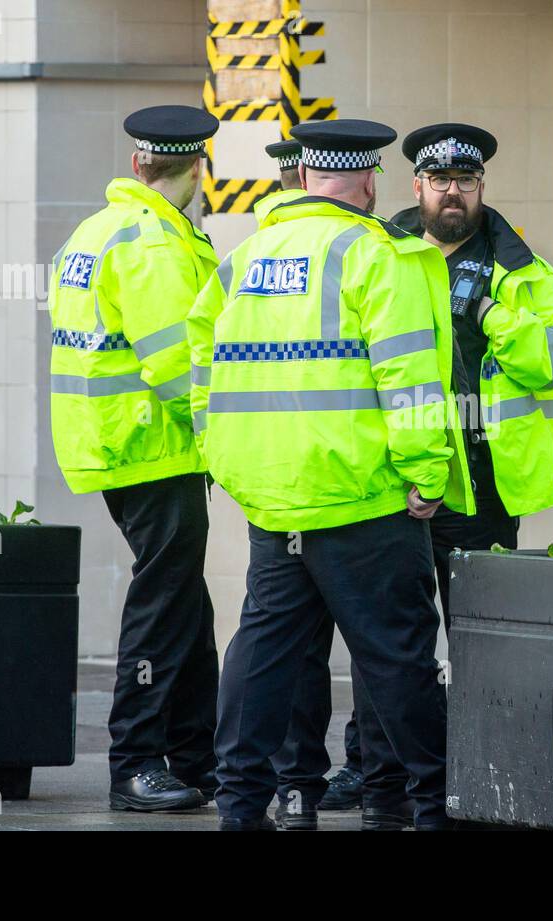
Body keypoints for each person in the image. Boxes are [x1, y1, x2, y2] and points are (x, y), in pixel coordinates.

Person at [187, 119, 474, 831]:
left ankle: (243, 807)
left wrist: (221, 455)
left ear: (308, 176)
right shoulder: (378, 257)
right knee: (399, 659)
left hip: (274, 502)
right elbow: (409, 380)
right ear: (371, 181)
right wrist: (427, 474)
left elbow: (198, 370)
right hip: (363, 500)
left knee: (263, 655)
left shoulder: (243, 259)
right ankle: (436, 807)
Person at [47, 105, 221, 811]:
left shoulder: (96, 231)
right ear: (194, 171)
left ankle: (195, 754)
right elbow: (179, 364)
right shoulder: (153, 243)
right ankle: (135, 762)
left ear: (139, 164)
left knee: (184, 601)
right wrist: (229, 438)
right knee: (163, 602)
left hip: (117, 446)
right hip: (157, 449)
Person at [391, 123, 553, 625]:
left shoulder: (519, 271)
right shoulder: (383, 258)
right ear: (417, 187)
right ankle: (400, 711)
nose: (453, 191)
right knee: (394, 636)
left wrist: (492, 314)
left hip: (482, 491)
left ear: (482, 186)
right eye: (439, 178)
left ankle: (478, 709)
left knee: (483, 633)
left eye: (467, 179)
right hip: (396, 483)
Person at [259, 136, 368, 825]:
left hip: (281, 486)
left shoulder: (250, 257)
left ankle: (289, 787)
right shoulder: (362, 250)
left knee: (287, 646)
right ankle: (374, 786)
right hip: (350, 486)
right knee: (376, 644)